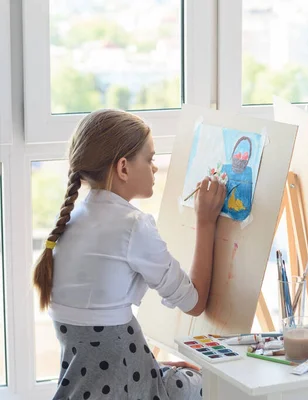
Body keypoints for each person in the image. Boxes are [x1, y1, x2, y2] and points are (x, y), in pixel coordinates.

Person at [32, 109, 225, 400]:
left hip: (92, 388)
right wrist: (206, 221)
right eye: (149, 159)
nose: (155, 168)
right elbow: (195, 303)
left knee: (182, 372)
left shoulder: (70, 222)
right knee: (214, 384)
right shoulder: (133, 226)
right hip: (127, 388)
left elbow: (96, 354)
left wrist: (151, 364)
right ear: (123, 168)